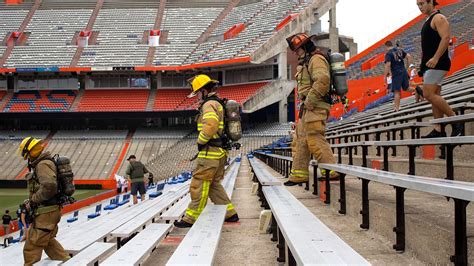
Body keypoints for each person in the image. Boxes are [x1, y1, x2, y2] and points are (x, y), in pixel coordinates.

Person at [174, 74, 239, 228]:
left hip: (209, 152)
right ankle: (230, 214)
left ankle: (191, 218)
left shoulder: (208, 104)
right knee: (214, 185)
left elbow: (211, 124)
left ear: (203, 90)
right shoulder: (217, 103)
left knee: (199, 184)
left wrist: (200, 141)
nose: (197, 96)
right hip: (219, 152)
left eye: (198, 92)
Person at [284, 33, 338, 186]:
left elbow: (323, 80)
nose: (295, 53)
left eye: (297, 50)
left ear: (304, 47)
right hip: (308, 107)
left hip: (316, 106)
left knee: (314, 137)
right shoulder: (307, 61)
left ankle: (331, 171)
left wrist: (310, 101)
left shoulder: (316, 59)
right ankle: (299, 174)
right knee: (300, 139)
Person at [18, 137, 70, 265]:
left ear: (30, 152)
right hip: (51, 210)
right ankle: (69, 262)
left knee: (32, 245)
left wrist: (33, 200)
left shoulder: (42, 165)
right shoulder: (45, 162)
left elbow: (49, 186)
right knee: (48, 241)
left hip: (46, 212)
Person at [417, 0, 463, 137]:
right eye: (418, 5)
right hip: (430, 64)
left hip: (437, 63)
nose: (420, 7)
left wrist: (436, 58)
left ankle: (456, 121)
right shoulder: (428, 20)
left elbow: (446, 38)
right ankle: (438, 129)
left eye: (422, 3)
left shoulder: (439, 18)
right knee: (434, 95)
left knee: (428, 94)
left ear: (431, 2)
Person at [384, 40, 413, 112]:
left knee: (396, 92)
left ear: (386, 46)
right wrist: (408, 67)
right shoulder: (399, 50)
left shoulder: (389, 53)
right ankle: (419, 90)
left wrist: (385, 76)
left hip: (396, 73)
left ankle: (397, 108)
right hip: (404, 72)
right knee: (407, 88)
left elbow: (388, 65)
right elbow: (409, 56)